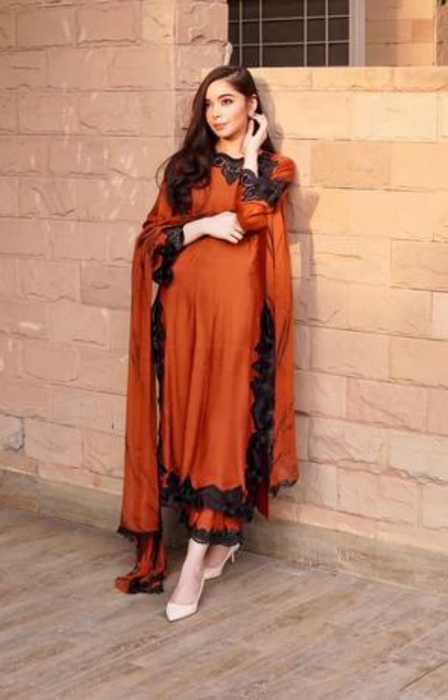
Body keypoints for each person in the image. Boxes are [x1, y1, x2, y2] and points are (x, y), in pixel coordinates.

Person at [114, 64, 299, 621]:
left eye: (226, 101)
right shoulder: (184, 168)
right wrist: (201, 226)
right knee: (188, 427)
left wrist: (251, 157)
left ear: (251, 105)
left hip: (240, 319)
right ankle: (223, 537)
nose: (215, 113)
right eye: (208, 104)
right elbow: (152, 237)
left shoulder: (275, 168)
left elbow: (253, 217)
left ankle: (195, 560)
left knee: (225, 424)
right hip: (181, 319)